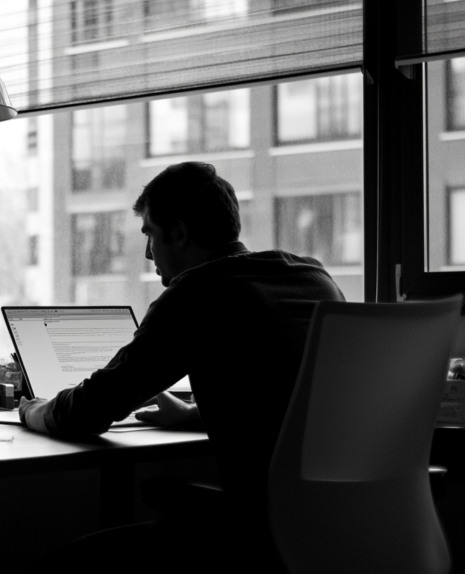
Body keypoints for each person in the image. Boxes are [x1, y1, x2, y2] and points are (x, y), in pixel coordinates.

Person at [18, 162, 345, 572]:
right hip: (348, 524)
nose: (149, 253)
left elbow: (88, 411)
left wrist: (31, 410)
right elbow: (291, 401)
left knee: (54, 566)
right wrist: (193, 414)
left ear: (178, 232)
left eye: (151, 235)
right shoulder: (313, 276)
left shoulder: (198, 292)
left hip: (261, 533)